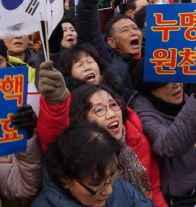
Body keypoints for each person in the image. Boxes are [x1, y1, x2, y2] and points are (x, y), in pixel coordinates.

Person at [36, 67, 167, 207]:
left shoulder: (136, 138)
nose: (109, 190)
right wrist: (56, 105)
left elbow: (152, 192)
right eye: (99, 109)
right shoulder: (71, 155)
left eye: (113, 105)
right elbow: (53, 131)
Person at [129, 62, 196, 206]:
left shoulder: (184, 101)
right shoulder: (143, 116)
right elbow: (169, 145)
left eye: (176, 75)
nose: (176, 84)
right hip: (175, 199)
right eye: (164, 82)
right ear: (150, 90)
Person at [32, 122, 155, 207]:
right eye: (98, 185)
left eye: (112, 177)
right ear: (65, 179)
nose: (109, 191)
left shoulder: (112, 180)